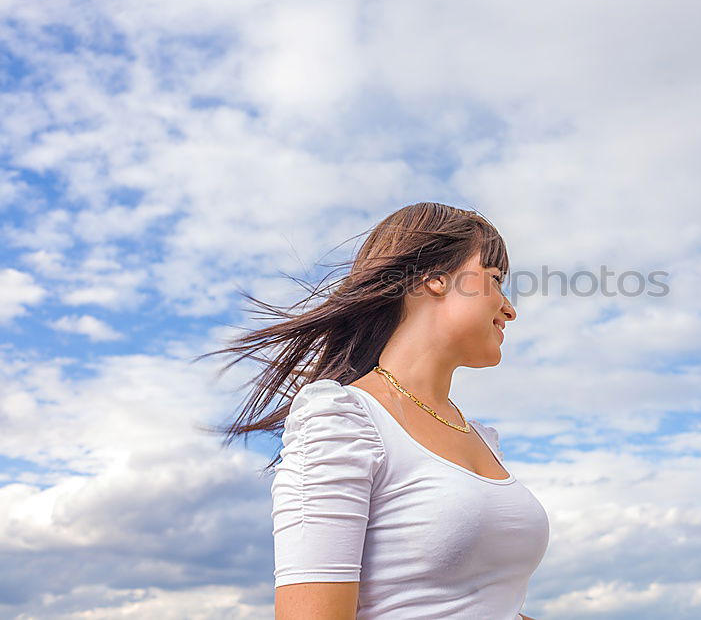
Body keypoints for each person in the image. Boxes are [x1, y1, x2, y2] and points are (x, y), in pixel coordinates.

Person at [199, 202, 549, 619]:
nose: (510, 309)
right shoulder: (342, 418)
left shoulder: (482, 438)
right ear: (434, 278)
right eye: (494, 280)